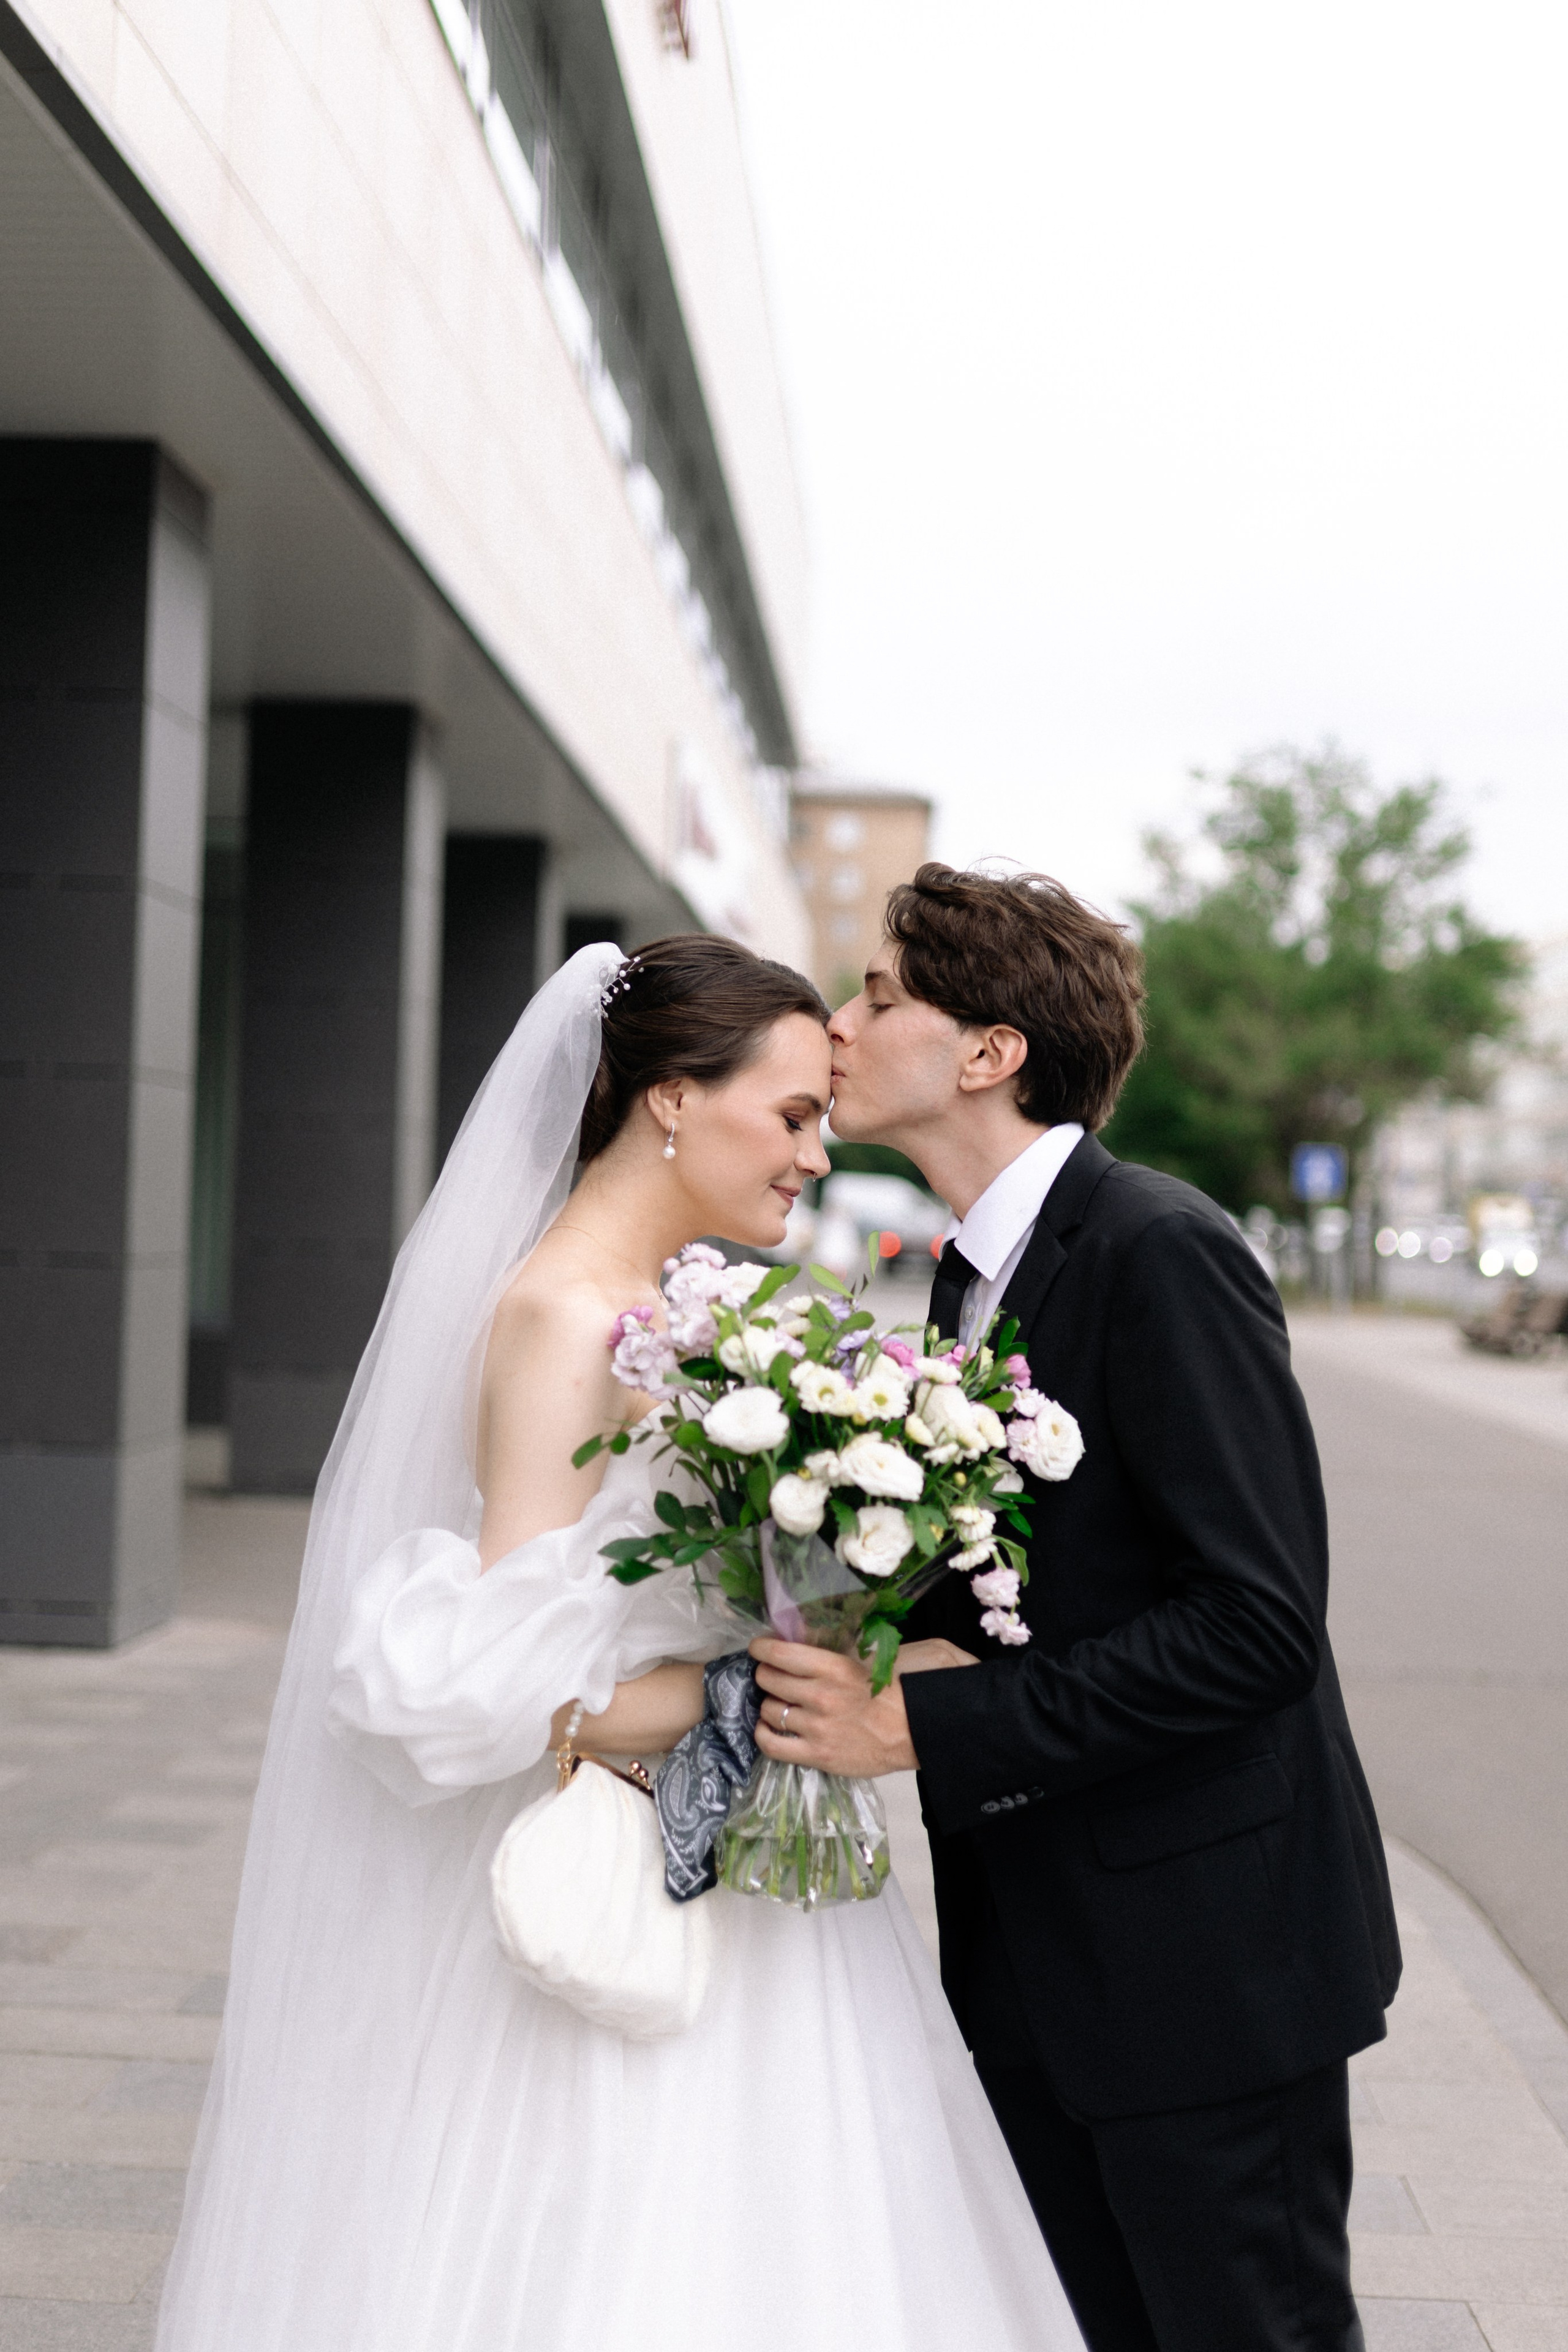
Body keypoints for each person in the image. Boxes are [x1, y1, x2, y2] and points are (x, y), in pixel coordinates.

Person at [155, 933, 1086, 2352]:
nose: (814, 1159)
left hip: (745, 1887)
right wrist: (765, 1690)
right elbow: (489, 1677)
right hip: (643, 1881)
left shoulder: (668, 1319)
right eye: (788, 1118)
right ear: (666, 1099)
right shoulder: (562, 1318)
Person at [753, 863, 1401, 2352]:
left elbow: (1253, 1625)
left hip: (1205, 1958)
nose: (837, 1025)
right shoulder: (972, 1277)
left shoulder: (1158, 1251)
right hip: (1039, 1948)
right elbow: (1048, 1587)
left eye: (876, 994)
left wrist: (922, 1720)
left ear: (988, 1053)